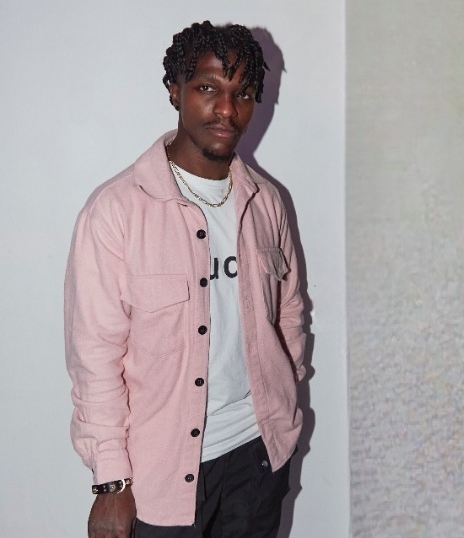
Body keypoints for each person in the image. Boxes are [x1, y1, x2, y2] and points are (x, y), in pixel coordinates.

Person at [65, 20, 306, 538]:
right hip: (162, 476)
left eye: (243, 93)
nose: (227, 109)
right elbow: (94, 357)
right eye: (208, 88)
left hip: (260, 457)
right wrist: (111, 481)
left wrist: (287, 397)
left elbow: (288, 311)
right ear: (174, 90)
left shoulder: (266, 202)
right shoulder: (116, 212)